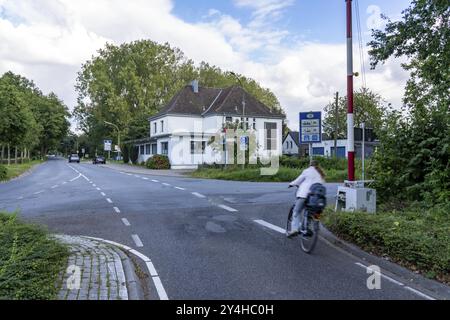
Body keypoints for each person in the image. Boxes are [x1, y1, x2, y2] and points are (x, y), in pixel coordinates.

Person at [287, 160, 326, 238]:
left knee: (296, 211)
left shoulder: (307, 171)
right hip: (316, 198)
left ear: (310, 165)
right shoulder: (321, 174)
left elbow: (298, 180)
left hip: (304, 195)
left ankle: (295, 229)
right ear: (317, 165)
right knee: (310, 213)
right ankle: (306, 228)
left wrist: (291, 184)